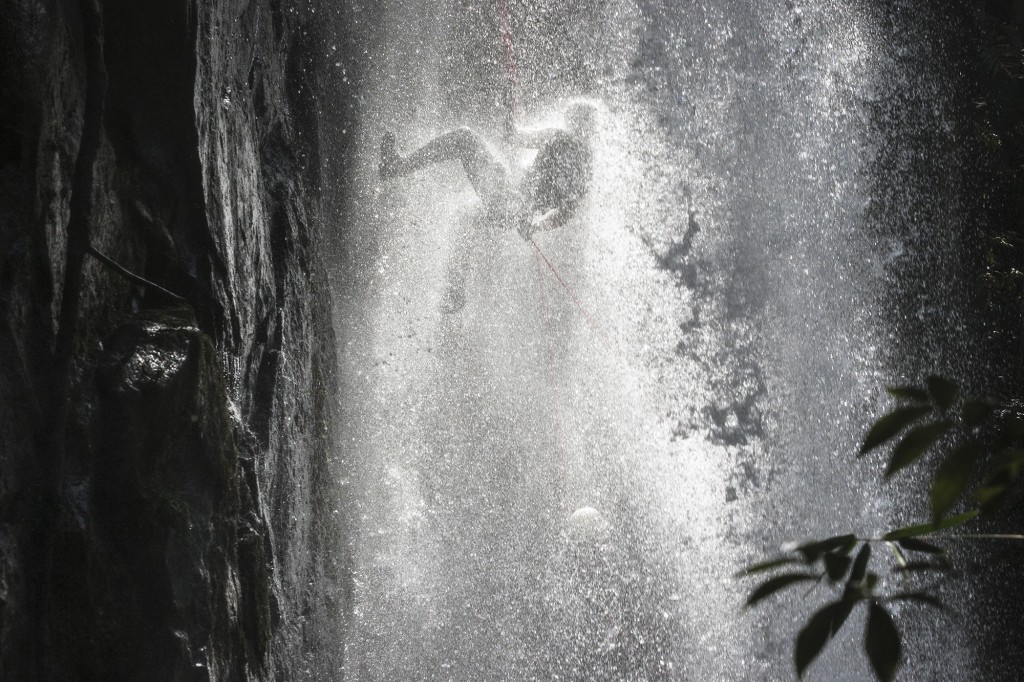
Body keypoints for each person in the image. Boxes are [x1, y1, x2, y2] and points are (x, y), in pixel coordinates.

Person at [379, 100, 597, 241]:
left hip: (507, 200)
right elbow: (566, 213)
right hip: (513, 214)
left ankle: (398, 167)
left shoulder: (558, 137)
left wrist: (509, 105)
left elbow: (512, 136)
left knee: (464, 137)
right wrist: (535, 226)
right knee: (462, 218)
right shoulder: (587, 168)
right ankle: (454, 291)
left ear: (573, 122)